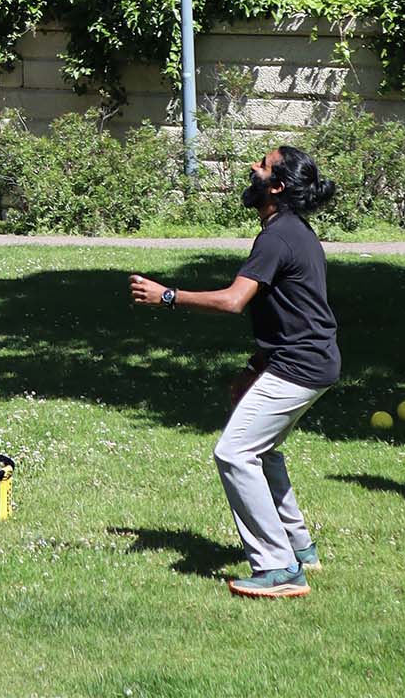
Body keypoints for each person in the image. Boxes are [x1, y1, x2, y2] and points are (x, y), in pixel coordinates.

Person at [129, 146, 340, 598]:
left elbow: (233, 300)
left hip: (300, 366)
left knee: (234, 453)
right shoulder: (289, 231)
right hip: (307, 362)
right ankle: (300, 550)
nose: (253, 168)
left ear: (277, 186)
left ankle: (279, 568)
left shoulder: (279, 236)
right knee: (260, 451)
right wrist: (253, 369)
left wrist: (168, 296)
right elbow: (289, 314)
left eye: (262, 166)